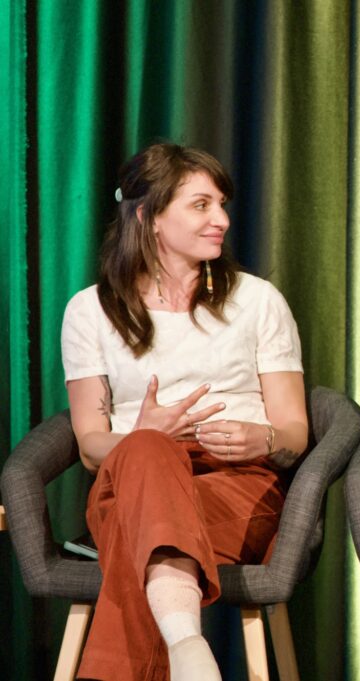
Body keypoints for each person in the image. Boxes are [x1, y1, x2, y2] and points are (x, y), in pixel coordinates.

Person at [61, 143, 308, 681]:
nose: (221, 220)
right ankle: (188, 646)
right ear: (149, 216)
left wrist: (262, 439)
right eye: (201, 205)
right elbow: (88, 445)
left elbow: (295, 430)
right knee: (149, 447)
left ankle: (184, 646)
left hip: (238, 482)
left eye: (222, 204)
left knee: (138, 543)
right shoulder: (89, 310)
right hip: (130, 479)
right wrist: (138, 438)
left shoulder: (259, 301)